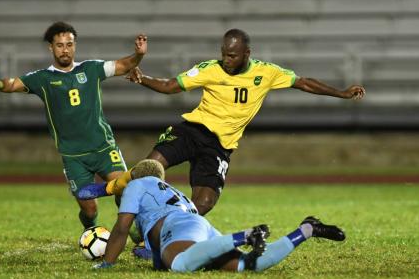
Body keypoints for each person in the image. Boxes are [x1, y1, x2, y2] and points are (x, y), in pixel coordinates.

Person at [119, 28, 366, 216]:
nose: (226, 59)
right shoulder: (210, 69)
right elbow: (170, 85)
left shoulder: (266, 72)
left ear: (247, 54)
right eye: (224, 54)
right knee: (150, 167)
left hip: (220, 146)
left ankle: (159, 229)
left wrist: (341, 93)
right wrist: (144, 79)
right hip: (192, 130)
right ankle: (117, 191)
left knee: (203, 204)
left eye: (232, 56)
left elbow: (303, 82)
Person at [0, 21, 148, 229]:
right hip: (73, 156)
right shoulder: (42, 78)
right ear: (51, 47)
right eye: (60, 45)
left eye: (69, 44)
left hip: (104, 148)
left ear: (74, 45)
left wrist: (139, 55)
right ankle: (90, 229)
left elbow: (123, 65)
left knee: (126, 192)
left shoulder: (91, 69)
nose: (65, 49)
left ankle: (138, 236)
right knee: (90, 209)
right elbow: (12, 84)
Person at [90, 159, 346, 272]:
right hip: (200, 228)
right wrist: (153, 255)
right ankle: (307, 229)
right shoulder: (176, 192)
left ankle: (244, 235)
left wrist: (107, 264)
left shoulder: (137, 184)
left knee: (180, 265)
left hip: (178, 227)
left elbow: (122, 228)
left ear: (137, 176)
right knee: (247, 265)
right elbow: (161, 253)